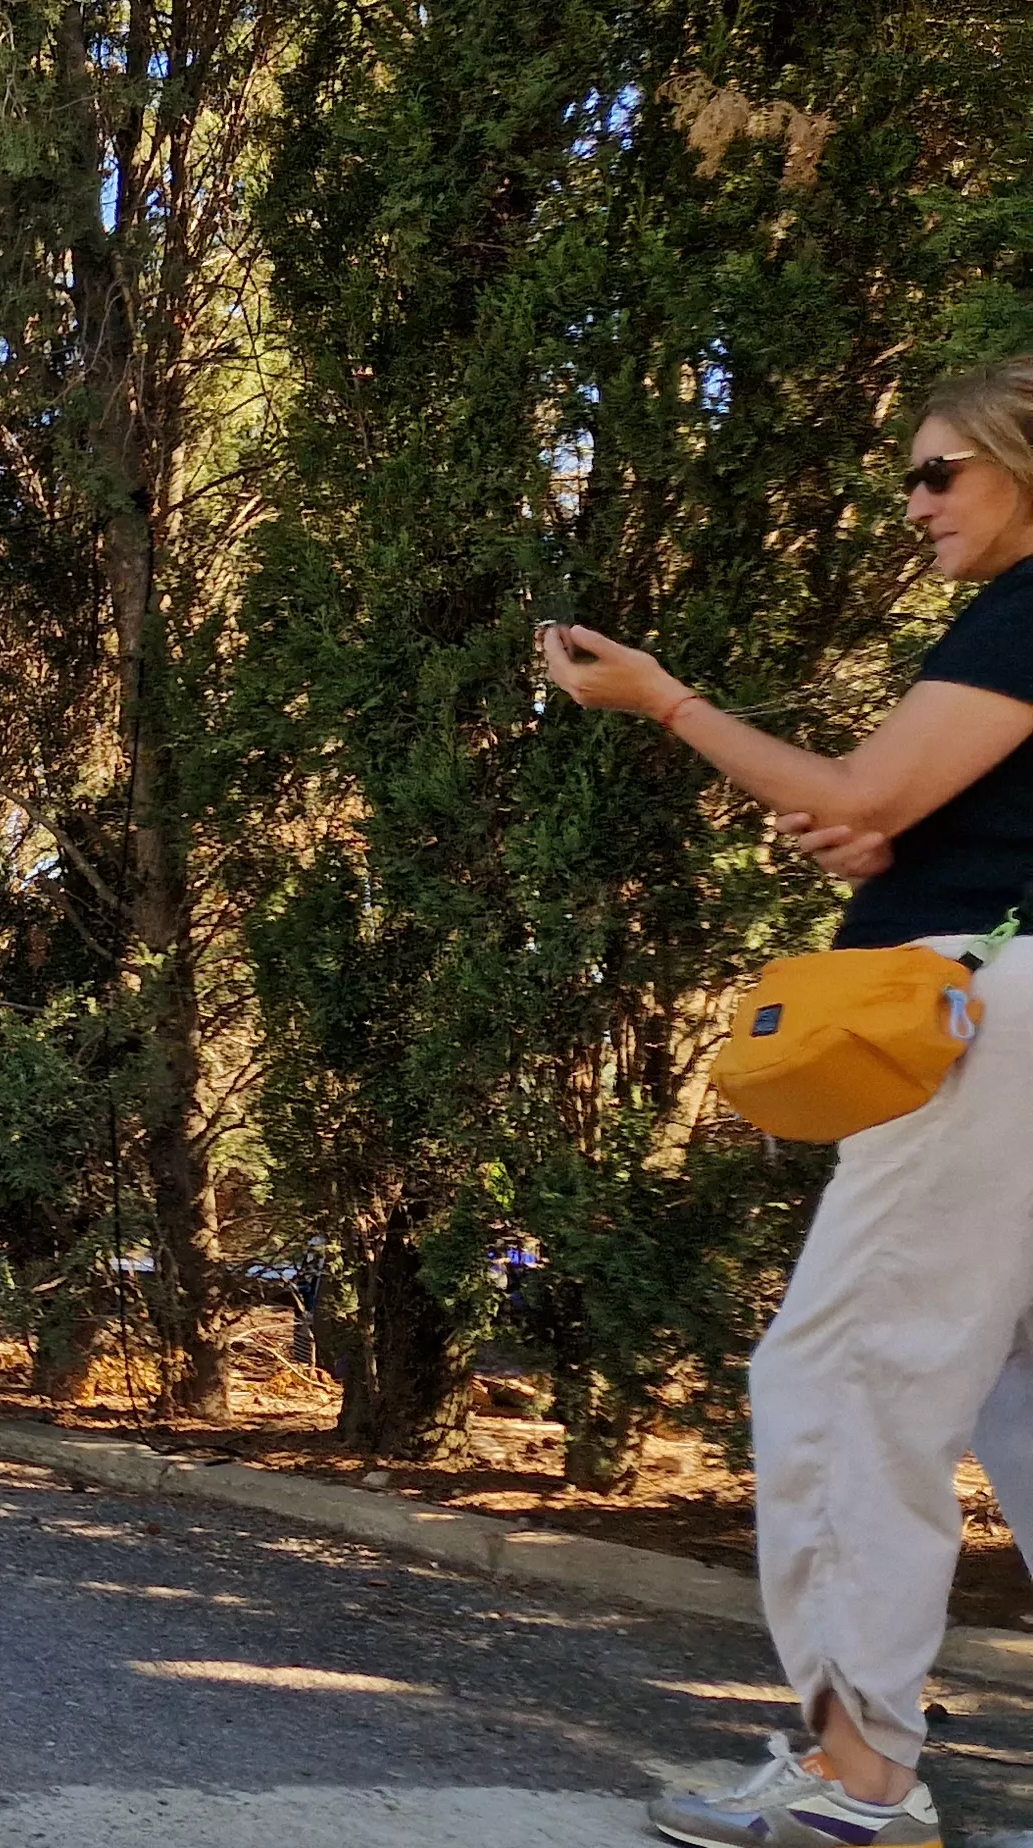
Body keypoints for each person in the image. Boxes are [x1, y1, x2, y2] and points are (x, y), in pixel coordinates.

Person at [546, 356, 1033, 1848]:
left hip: (982, 1015)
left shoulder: (1028, 609)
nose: (914, 502)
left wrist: (663, 698)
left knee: (843, 1376)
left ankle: (860, 1780)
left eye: (939, 470)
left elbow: (866, 794)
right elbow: (877, 805)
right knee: (1019, 1393)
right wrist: (887, 828)